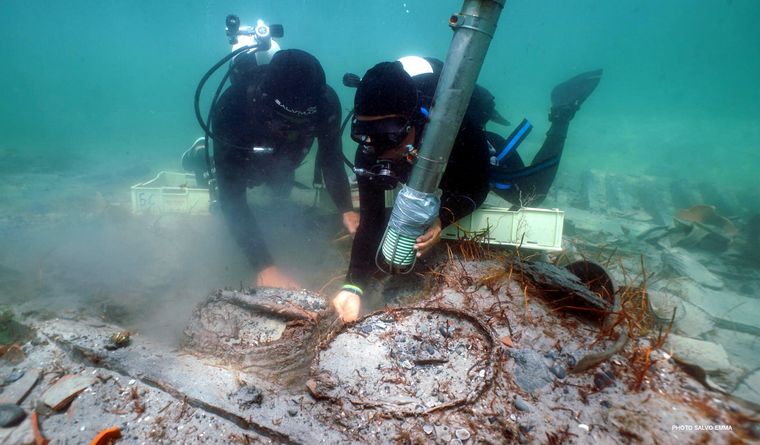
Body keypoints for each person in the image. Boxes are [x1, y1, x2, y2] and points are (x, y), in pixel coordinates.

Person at [332, 58, 601, 322]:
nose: (380, 149)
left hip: (465, 156)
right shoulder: (370, 149)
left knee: (530, 191)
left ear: (413, 120)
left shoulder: (456, 127)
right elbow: (371, 219)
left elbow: (477, 187)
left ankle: (563, 112)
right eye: (367, 135)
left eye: (389, 136)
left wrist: (443, 219)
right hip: (429, 157)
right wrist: (352, 287)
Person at [188, 49, 359, 288]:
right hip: (246, 154)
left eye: (303, 125)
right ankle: (198, 158)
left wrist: (346, 210)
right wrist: (265, 267)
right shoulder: (233, 107)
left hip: (285, 160)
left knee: (281, 189)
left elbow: (331, 157)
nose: (291, 132)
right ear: (263, 102)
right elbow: (232, 199)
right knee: (235, 188)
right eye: (284, 122)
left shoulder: (325, 103)